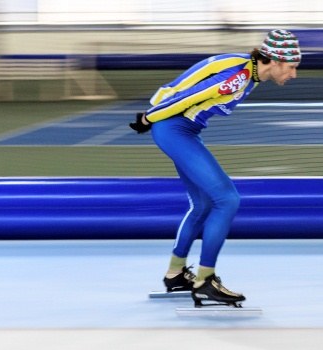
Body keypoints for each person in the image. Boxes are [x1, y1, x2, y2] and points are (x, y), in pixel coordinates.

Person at [128, 29, 301, 307]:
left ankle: (175, 274)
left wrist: (156, 116)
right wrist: (149, 118)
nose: (293, 74)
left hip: (181, 129)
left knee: (203, 205)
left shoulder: (248, 70)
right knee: (228, 199)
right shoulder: (240, 76)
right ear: (274, 60)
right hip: (175, 128)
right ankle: (205, 280)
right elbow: (190, 97)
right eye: (291, 67)